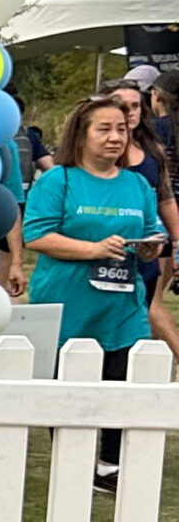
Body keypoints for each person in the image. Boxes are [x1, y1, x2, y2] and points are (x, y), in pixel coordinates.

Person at [25, 96, 166, 492]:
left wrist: (153, 244)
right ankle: (74, 462)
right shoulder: (59, 180)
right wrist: (93, 249)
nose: (115, 137)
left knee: (123, 381)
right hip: (68, 300)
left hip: (123, 302)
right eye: (103, 129)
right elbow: (36, 234)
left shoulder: (137, 183)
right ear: (82, 135)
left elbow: (154, 228)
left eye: (121, 129)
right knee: (68, 386)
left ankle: (109, 463)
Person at [101, 81, 179, 356]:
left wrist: (178, 241)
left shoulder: (152, 148)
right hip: (106, 246)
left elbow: (166, 198)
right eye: (123, 106)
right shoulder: (100, 151)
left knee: (147, 304)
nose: (130, 112)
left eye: (135, 106)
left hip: (149, 243)